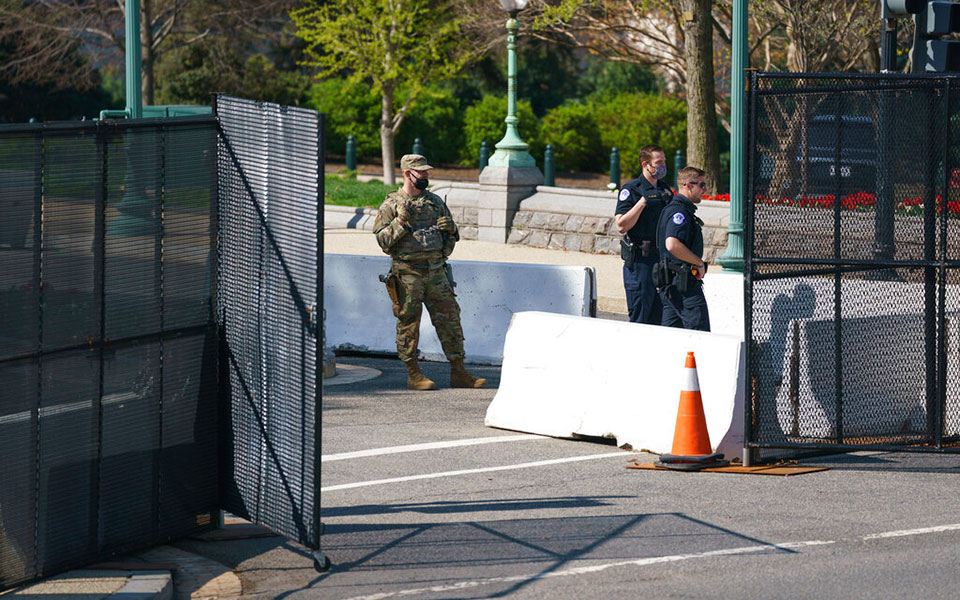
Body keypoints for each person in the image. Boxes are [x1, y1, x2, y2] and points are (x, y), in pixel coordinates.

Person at [373, 154, 487, 390]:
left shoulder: (434, 202)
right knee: (408, 323)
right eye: (421, 172)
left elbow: (448, 241)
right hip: (407, 274)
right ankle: (413, 374)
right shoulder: (392, 205)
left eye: (426, 172)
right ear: (407, 173)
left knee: (450, 320)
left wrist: (452, 230)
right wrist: (401, 223)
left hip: (436, 271)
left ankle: (459, 371)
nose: (425, 176)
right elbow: (383, 242)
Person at [614, 145, 673, 324]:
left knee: (660, 317)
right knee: (640, 315)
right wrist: (641, 204)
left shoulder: (665, 190)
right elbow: (621, 225)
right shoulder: (632, 189)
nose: (663, 166)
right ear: (645, 164)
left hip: (661, 260)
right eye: (658, 163)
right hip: (640, 262)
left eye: (664, 162)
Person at [656, 166, 711, 331]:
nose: (705, 189)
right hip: (684, 285)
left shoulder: (679, 209)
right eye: (701, 185)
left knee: (672, 334)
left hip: (674, 284)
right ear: (688, 185)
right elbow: (672, 244)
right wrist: (699, 263)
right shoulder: (679, 212)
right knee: (699, 333)